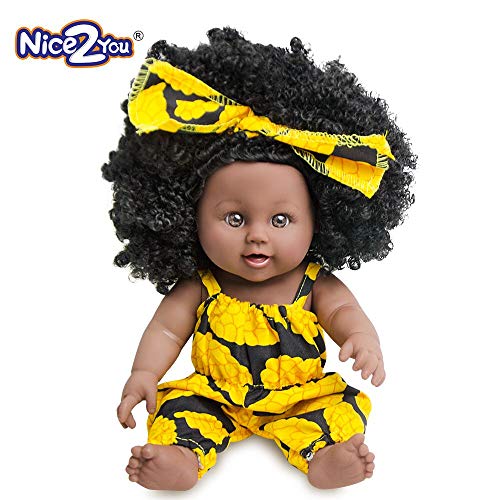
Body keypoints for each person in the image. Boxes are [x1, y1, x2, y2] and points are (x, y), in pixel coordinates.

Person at [102, 26, 416, 491]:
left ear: (319, 220)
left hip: (300, 396)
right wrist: (144, 373)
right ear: (188, 214)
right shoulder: (202, 283)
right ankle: (180, 457)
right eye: (234, 218)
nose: (257, 236)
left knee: (338, 409)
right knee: (178, 410)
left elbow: (344, 311)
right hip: (214, 394)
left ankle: (325, 456)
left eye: (281, 220)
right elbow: (167, 329)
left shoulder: (312, 282)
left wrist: (362, 340)